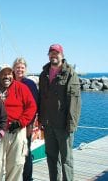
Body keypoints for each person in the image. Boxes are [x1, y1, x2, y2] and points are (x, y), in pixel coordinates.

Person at [38, 44, 81, 181]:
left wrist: (71, 125)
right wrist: (40, 120)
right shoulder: (44, 74)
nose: (53, 55)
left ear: (62, 55)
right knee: (51, 158)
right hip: (48, 124)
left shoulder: (70, 74)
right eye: (51, 53)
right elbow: (41, 99)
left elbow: (74, 102)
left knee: (66, 160)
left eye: (56, 53)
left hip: (63, 126)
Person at [0, 64, 37, 181]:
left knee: (17, 164)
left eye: (9, 74)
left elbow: (31, 107)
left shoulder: (21, 88)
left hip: (17, 131)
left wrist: (20, 122)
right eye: (3, 74)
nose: (7, 77)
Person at [12, 57, 38, 181]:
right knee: (12, 154)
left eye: (22, 67)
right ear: (13, 69)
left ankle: (27, 178)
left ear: (25, 69)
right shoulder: (9, 82)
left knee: (25, 153)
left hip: (25, 124)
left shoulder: (30, 84)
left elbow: (34, 106)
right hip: (11, 125)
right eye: (17, 67)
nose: (20, 70)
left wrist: (30, 124)